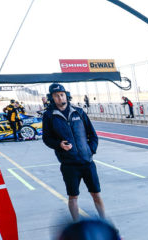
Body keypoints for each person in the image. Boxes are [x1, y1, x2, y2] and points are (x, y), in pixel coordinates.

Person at [41, 83, 106, 220]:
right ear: (52, 98)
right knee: (73, 197)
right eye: (56, 96)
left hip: (87, 162)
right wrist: (59, 145)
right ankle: (77, 226)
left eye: (62, 94)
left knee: (96, 194)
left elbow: (92, 135)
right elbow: (46, 138)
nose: (60, 97)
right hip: (69, 165)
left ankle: (104, 222)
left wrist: (90, 150)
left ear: (66, 95)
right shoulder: (49, 116)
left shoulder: (79, 112)